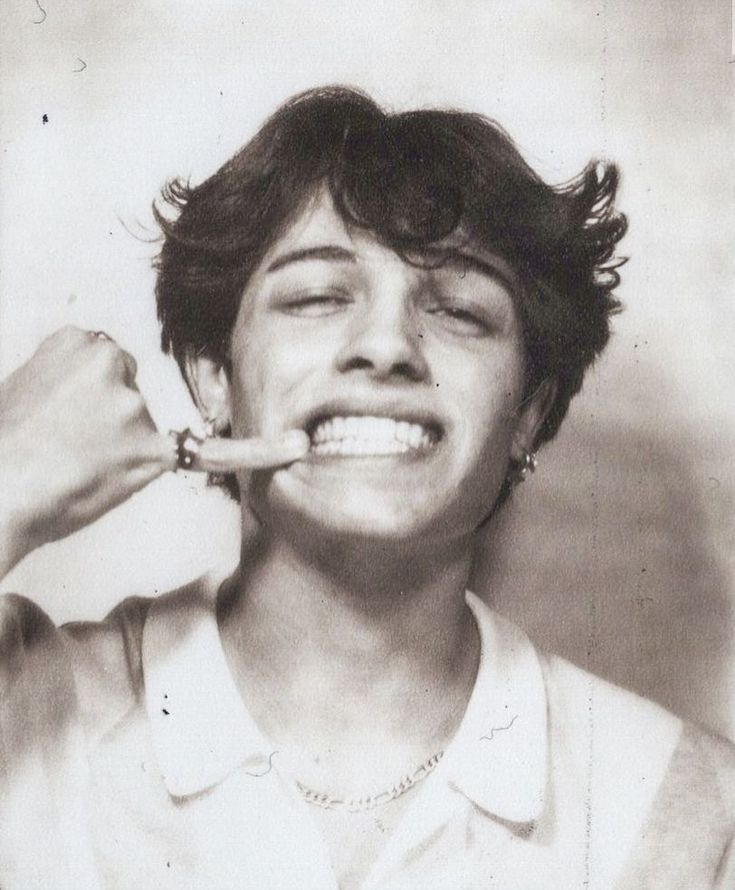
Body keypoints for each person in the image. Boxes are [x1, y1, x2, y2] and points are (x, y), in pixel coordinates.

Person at [0, 86, 732, 890]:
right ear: (213, 379)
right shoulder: (29, 706)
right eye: (316, 297)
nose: (386, 346)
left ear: (528, 413)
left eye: (457, 310)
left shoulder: (690, 808)